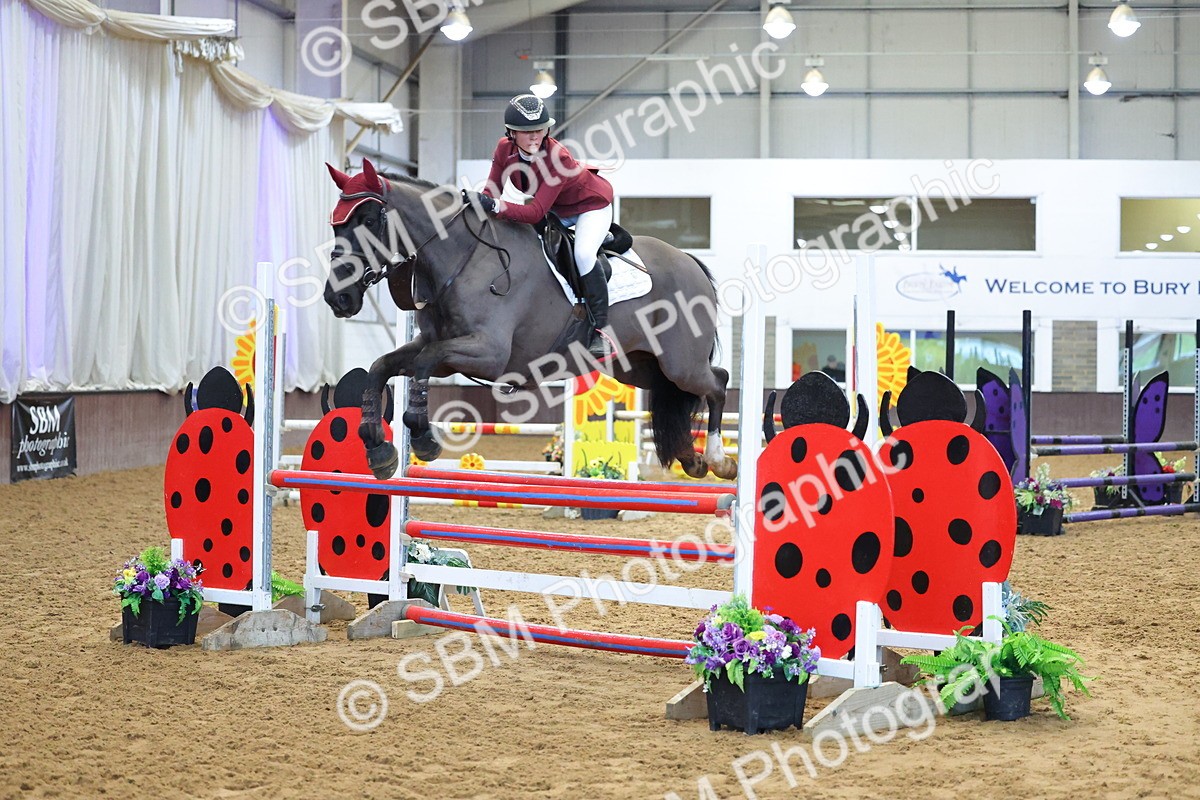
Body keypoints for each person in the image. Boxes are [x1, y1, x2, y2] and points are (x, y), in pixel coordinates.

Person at [463, 94, 615, 359]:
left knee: (583, 254)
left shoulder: (558, 157)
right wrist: (477, 205)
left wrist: (496, 207)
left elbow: (534, 213)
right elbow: (492, 191)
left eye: (539, 130)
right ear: (511, 133)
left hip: (590, 206)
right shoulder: (503, 149)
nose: (534, 137)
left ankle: (601, 331)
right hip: (557, 208)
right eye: (526, 132)